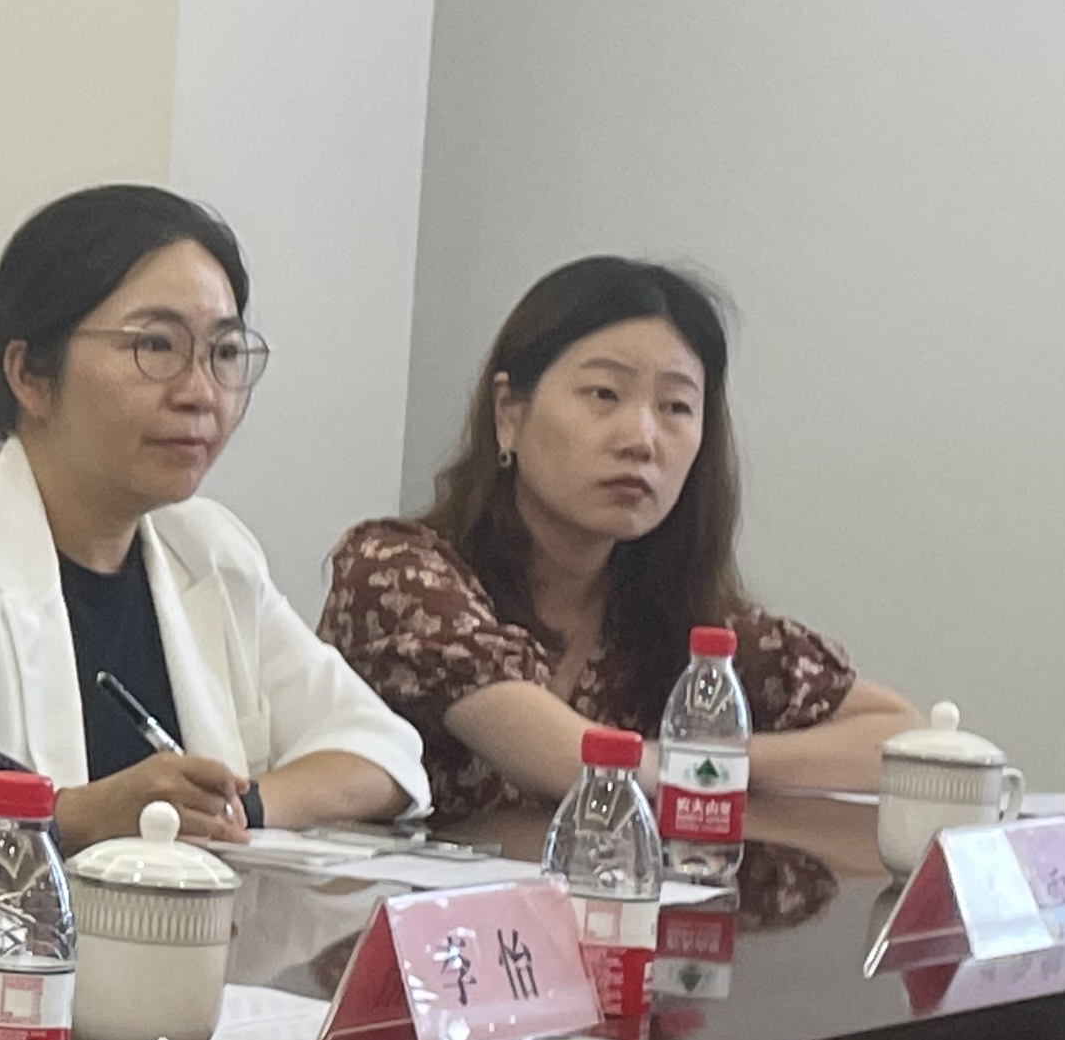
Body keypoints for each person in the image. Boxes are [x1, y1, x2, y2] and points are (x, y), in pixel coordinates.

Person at [0, 185, 424, 844]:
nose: (200, 393)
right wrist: (95, 816)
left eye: (224, 353)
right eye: (156, 346)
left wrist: (234, 810)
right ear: (30, 375)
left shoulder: (209, 548)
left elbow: (384, 752)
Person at [320, 255, 914, 821]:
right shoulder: (395, 572)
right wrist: (700, 762)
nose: (641, 439)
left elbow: (904, 737)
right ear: (509, 413)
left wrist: (722, 757)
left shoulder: (671, 614)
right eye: (604, 394)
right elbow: (573, 762)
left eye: (676, 406)